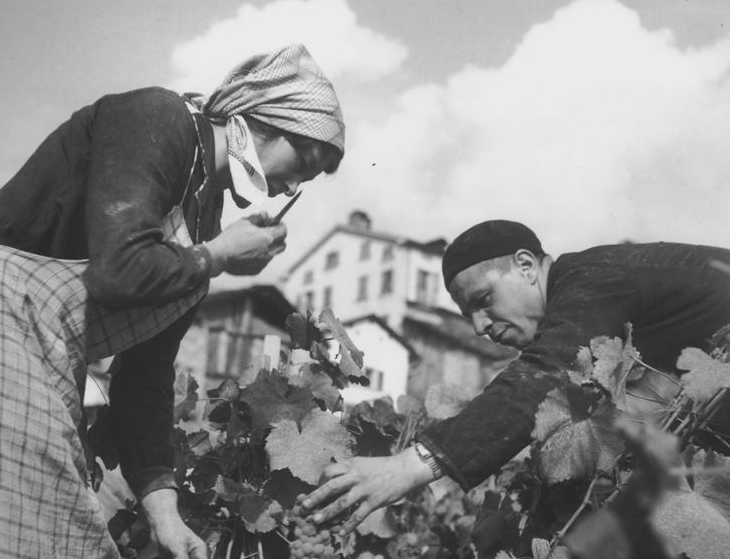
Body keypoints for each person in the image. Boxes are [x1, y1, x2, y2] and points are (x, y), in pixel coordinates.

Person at [0, 44, 344, 559]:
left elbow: (144, 383)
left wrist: (165, 509)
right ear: (261, 119)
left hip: (40, 350)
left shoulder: (201, 215)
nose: (285, 188)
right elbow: (119, 268)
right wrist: (215, 259)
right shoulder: (158, 120)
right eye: (299, 163)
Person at [302, 220, 730, 530]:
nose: (479, 326)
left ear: (527, 265)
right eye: (468, 313)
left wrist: (407, 467)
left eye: (483, 299)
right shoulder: (608, 282)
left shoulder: (591, 278)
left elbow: (546, 375)